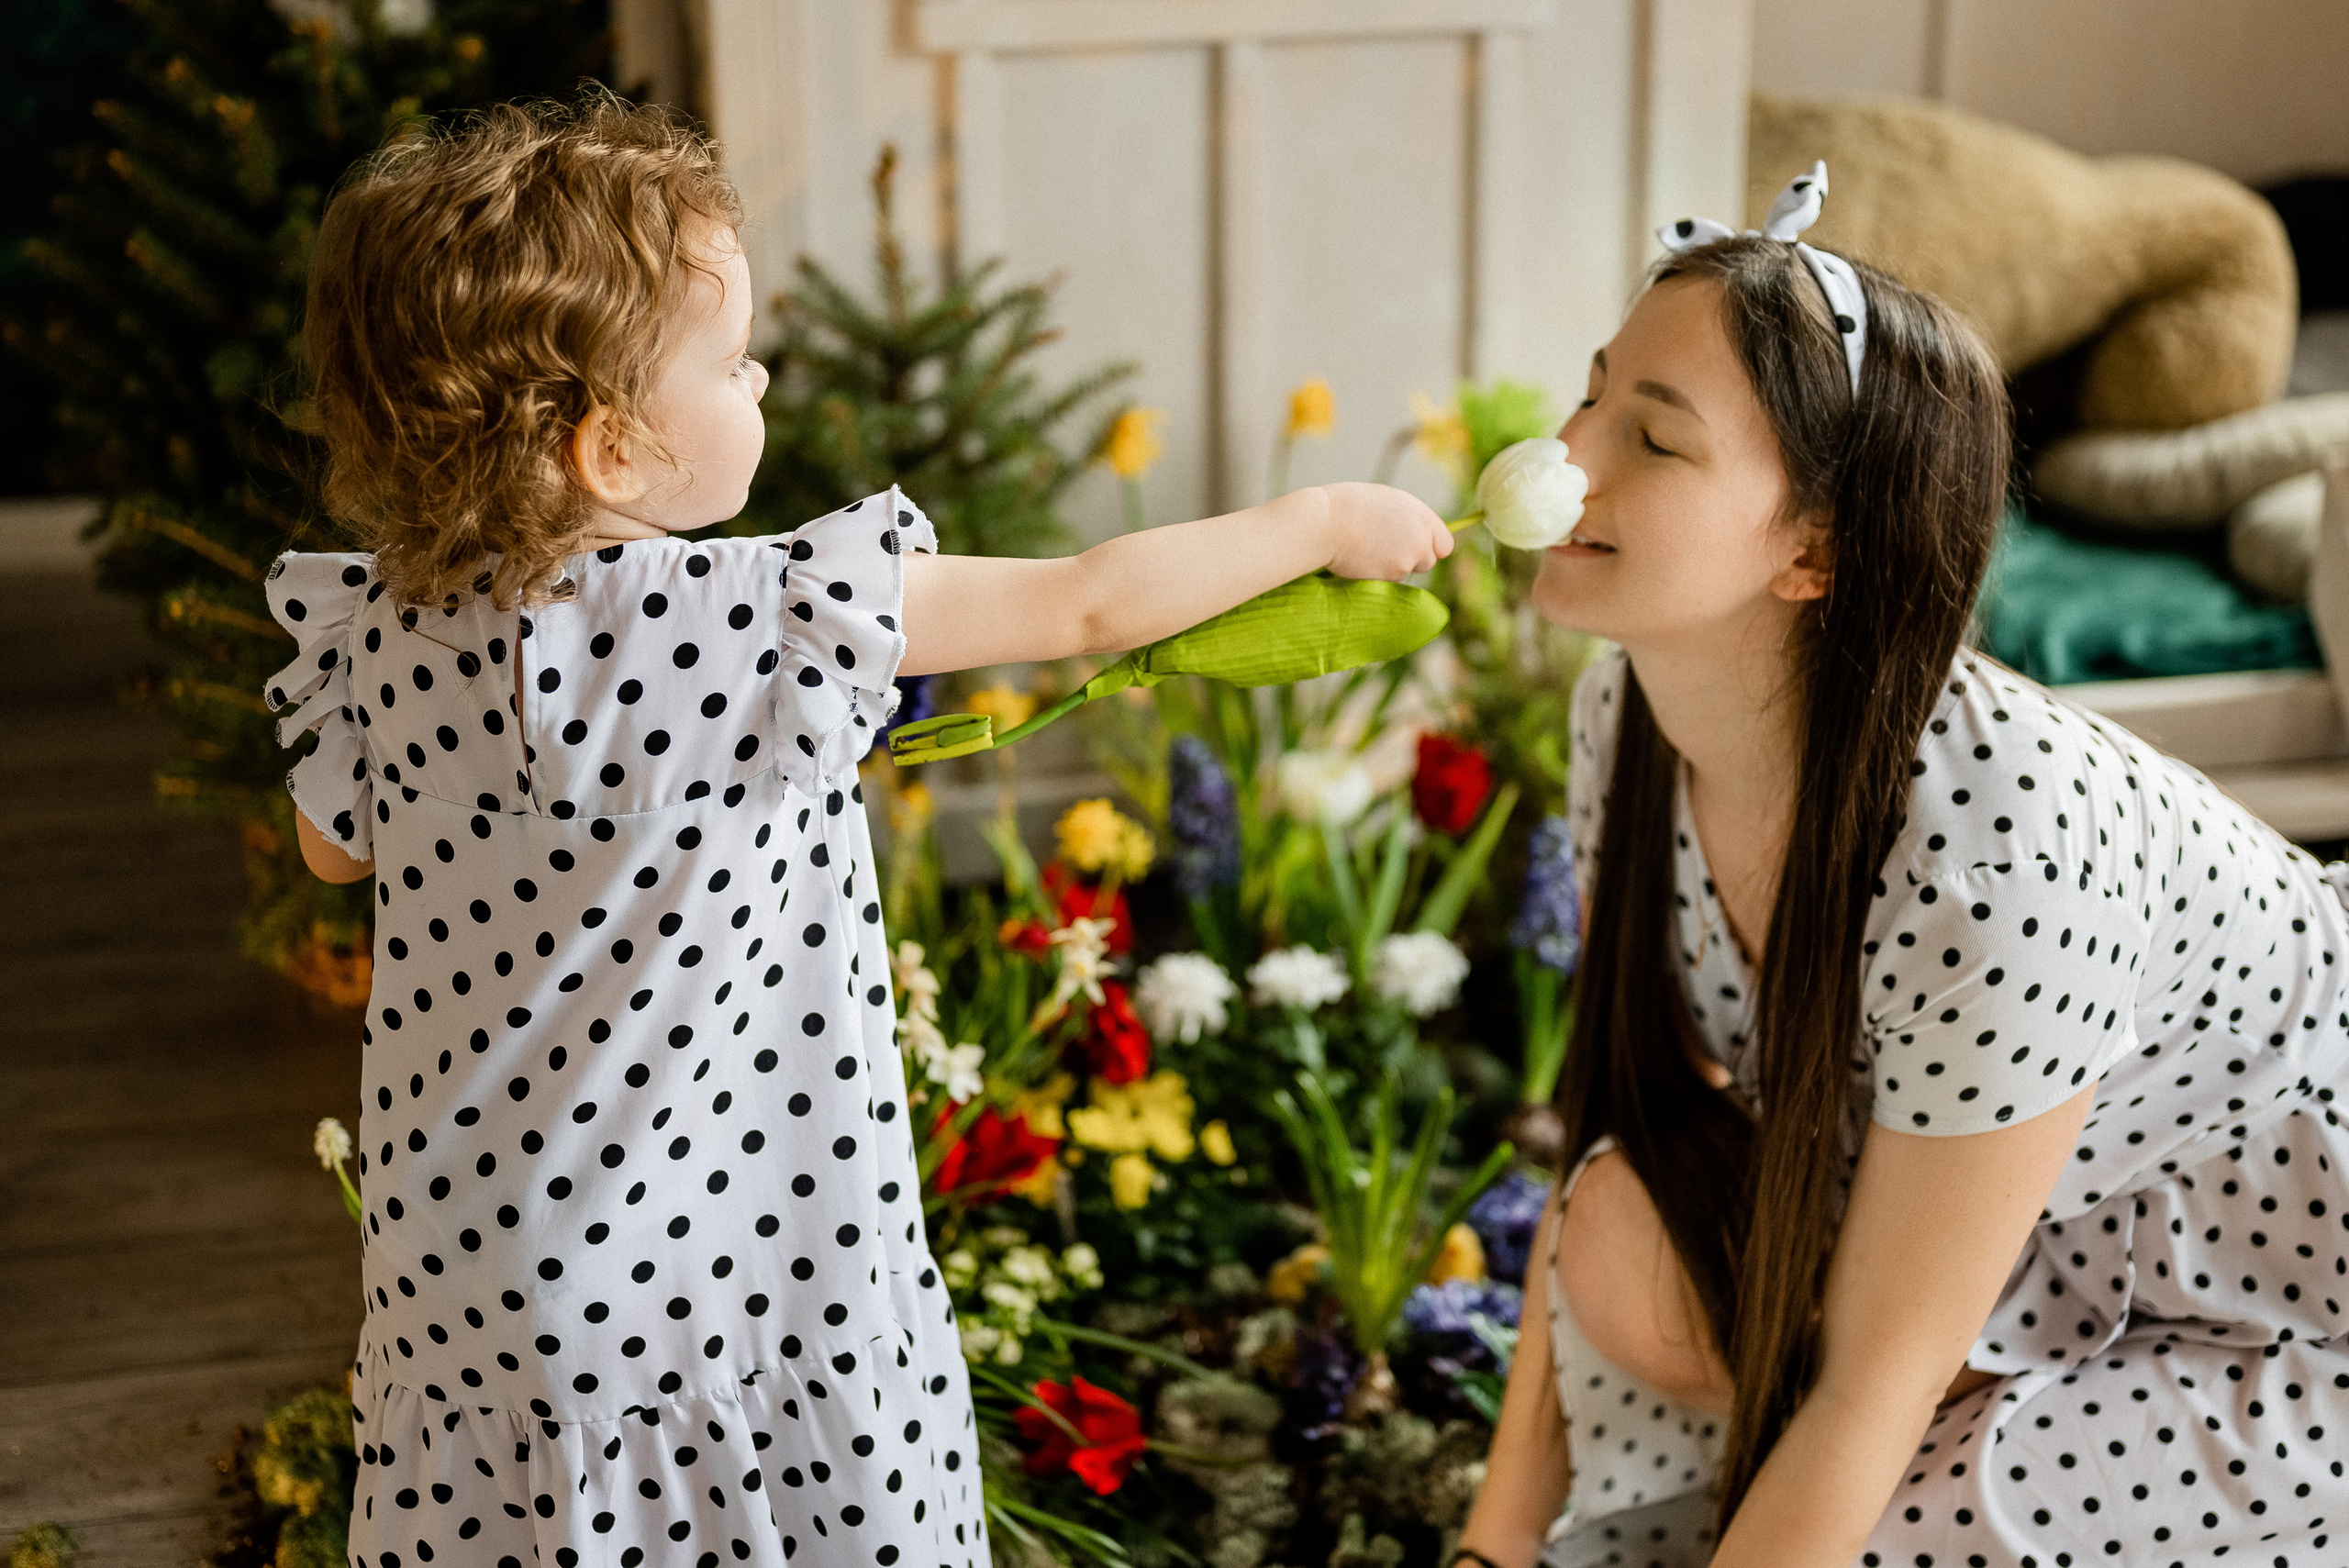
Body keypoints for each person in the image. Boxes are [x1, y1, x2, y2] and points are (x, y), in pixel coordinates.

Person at [265, 92, 1451, 1568]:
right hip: (736, 1274)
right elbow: (1087, 598)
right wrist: (1327, 517)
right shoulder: (748, 622)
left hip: (472, 1277)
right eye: (732, 355)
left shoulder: (384, 626)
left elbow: (334, 848)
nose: (760, 373)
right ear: (610, 451)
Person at [1455, 168, 2349, 1568]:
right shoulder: (1623, 714)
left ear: (1815, 547)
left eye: (1656, 437)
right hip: (2048, 1227)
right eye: (1589, 397)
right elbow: (1617, 1120)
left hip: (2294, 1301)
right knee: (1622, 1234)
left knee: (1883, 1532)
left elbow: (1874, 1384)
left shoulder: (1999, 846)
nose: (1570, 455)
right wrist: (1492, 1544)